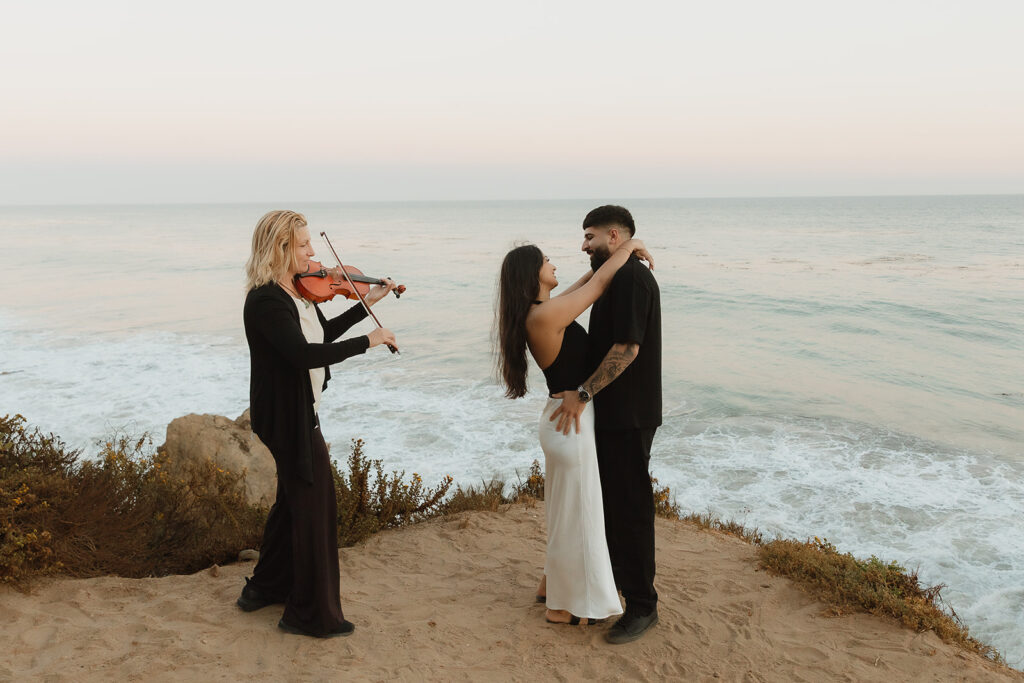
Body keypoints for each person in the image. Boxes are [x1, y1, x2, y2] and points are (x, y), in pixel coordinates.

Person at [237, 210, 398, 638]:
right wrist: (370, 341)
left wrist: (367, 306)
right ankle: (308, 615)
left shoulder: (297, 292)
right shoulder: (266, 300)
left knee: (294, 502)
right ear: (282, 248)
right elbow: (304, 355)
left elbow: (321, 335)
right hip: (286, 417)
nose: (315, 252)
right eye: (305, 244)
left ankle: (263, 590)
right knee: (316, 510)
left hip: (298, 409)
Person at [497, 237, 653, 627]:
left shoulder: (540, 312)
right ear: (530, 275)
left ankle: (551, 585)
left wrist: (619, 254)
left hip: (559, 421)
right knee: (579, 517)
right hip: (571, 424)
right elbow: (598, 288)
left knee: (564, 513)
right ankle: (564, 607)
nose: (553, 264)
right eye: (546, 260)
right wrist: (629, 245)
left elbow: (589, 282)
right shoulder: (544, 317)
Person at [549, 205, 662, 644]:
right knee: (612, 508)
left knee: (630, 511)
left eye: (589, 237)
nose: (583, 246)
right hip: (612, 413)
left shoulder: (633, 278)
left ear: (613, 236)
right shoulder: (615, 275)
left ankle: (642, 607)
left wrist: (583, 393)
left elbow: (628, 348)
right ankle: (611, 594)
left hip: (629, 415)